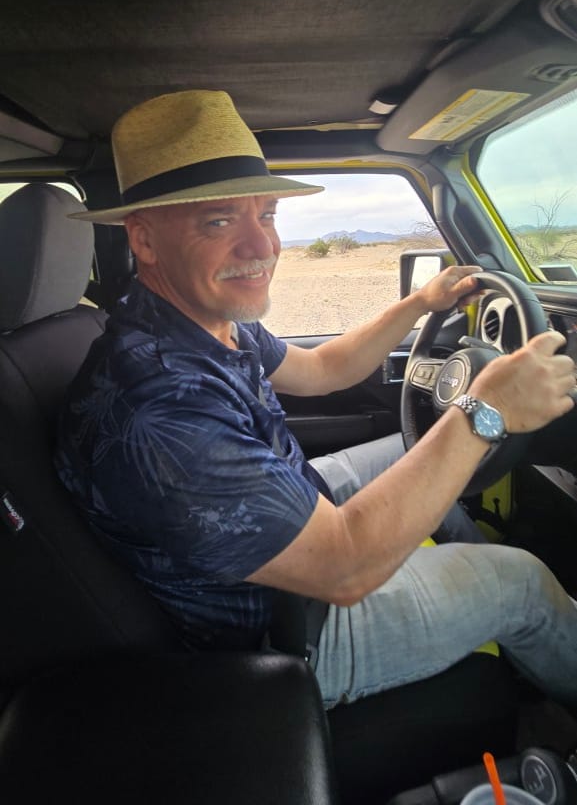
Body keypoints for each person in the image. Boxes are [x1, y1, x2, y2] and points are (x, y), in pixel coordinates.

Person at [55, 89, 577, 713]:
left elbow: (324, 368)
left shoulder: (193, 320)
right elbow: (344, 569)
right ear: (142, 239)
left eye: (267, 215)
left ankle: (479, 602)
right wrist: (484, 411)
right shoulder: (159, 410)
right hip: (284, 629)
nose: (262, 247)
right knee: (519, 582)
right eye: (219, 221)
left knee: (409, 447)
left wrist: (420, 304)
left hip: (280, 521)